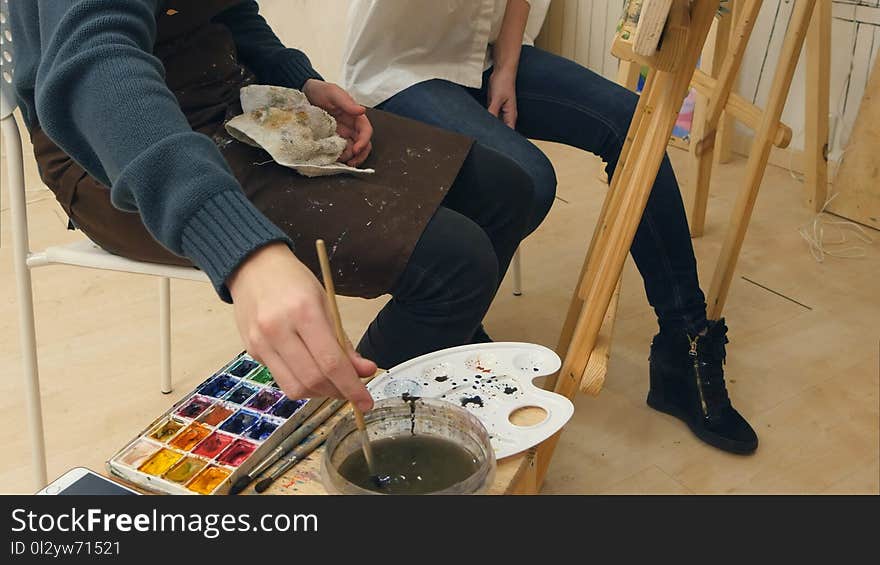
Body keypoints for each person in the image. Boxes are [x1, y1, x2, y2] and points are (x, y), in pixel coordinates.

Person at [9, 0, 536, 413]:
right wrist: (243, 251)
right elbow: (93, 62)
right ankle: (347, 437)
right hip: (109, 148)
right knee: (454, 261)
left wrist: (299, 80)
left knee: (507, 187)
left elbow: (229, 11)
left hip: (226, 99)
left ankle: (436, 349)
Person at [342, 0, 758, 454]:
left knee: (635, 122)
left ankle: (685, 344)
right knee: (528, 180)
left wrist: (506, 69)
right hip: (402, 67)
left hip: (486, 55)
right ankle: (449, 327)